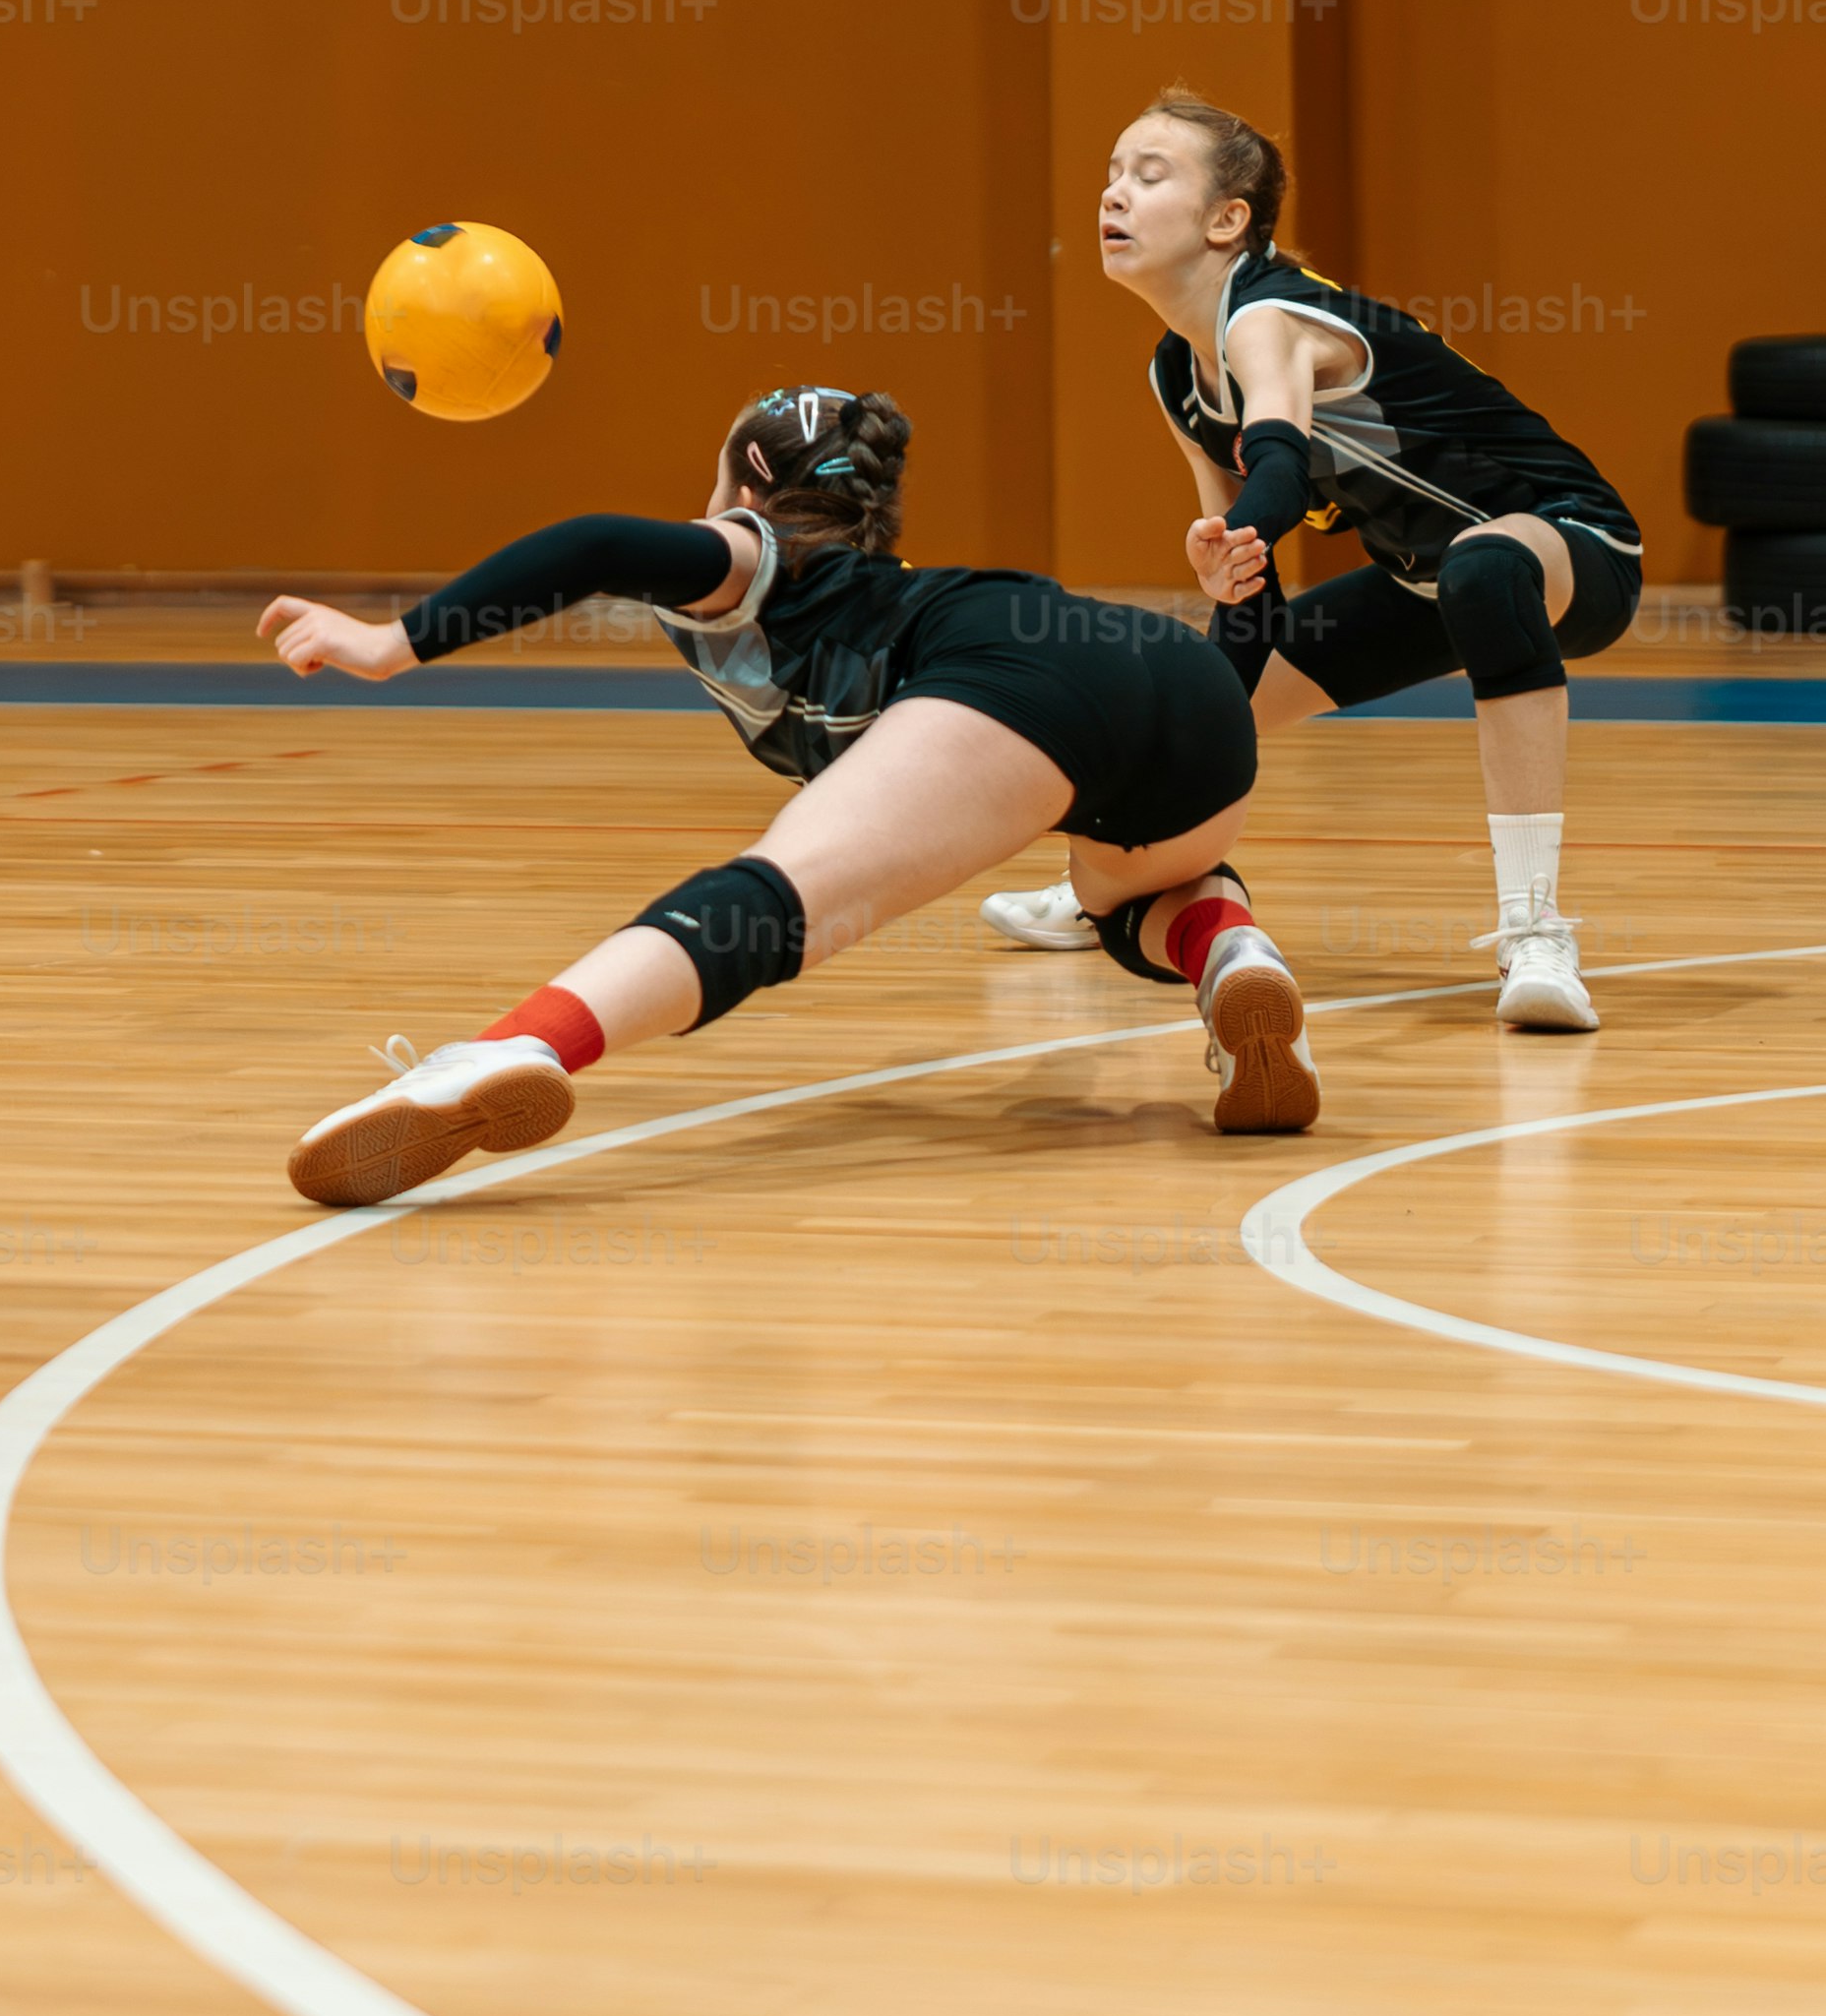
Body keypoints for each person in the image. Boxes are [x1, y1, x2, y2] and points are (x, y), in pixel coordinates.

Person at [259, 387, 1311, 1209]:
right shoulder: (864, 569)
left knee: (773, 901)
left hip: (1021, 673)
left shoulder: (760, 557)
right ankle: (1233, 952)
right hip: (1196, 695)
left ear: (744, 489)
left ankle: (509, 1048)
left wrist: (391, 643)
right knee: (1130, 899)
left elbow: (591, 543)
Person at [987, 91, 1635, 1029]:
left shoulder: (1270, 316)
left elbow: (1279, 470)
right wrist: (1219, 613)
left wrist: (1242, 528)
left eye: (1147, 174)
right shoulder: (1178, 374)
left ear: (1226, 220)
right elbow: (1248, 587)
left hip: (1570, 545)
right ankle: (1110, 882)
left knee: (1484, 570)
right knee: (1199, 705)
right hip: (1423, 583)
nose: (1112, 194)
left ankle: (1535, 932)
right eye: (1110, 173)